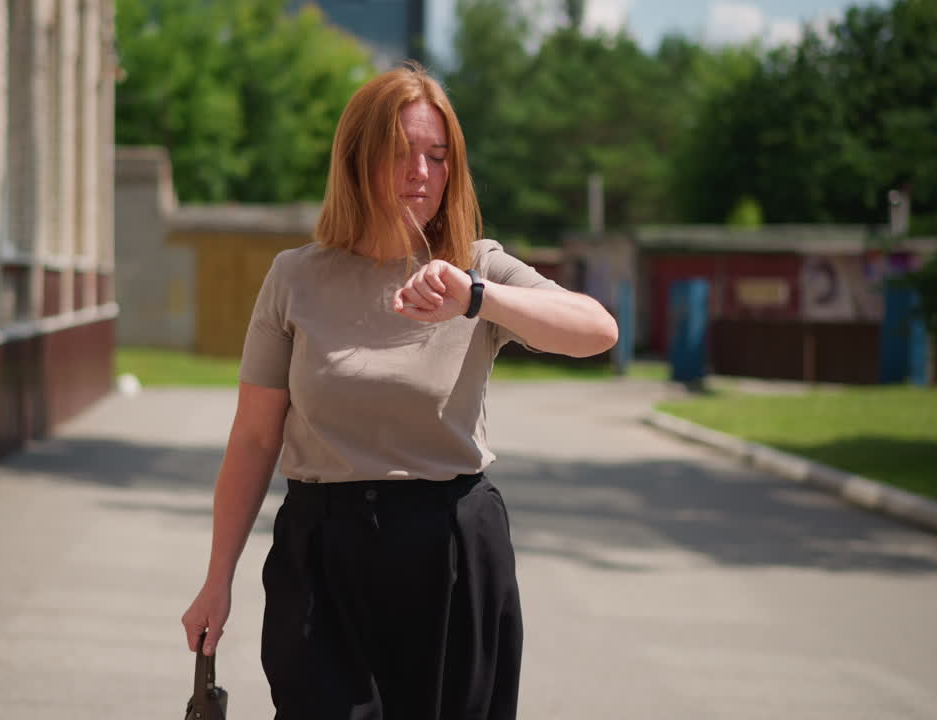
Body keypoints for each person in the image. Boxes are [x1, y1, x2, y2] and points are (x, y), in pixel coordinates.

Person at [180, 63, 619, 720]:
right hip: (321, 556)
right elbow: (253, 437)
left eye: (437, 156)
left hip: (451, 550)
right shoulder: (294, 278)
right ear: (357, 160)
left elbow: (598, 330)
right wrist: (217, 579)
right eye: (400, 152)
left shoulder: (476, 267)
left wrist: (477, 298)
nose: (421, 172)